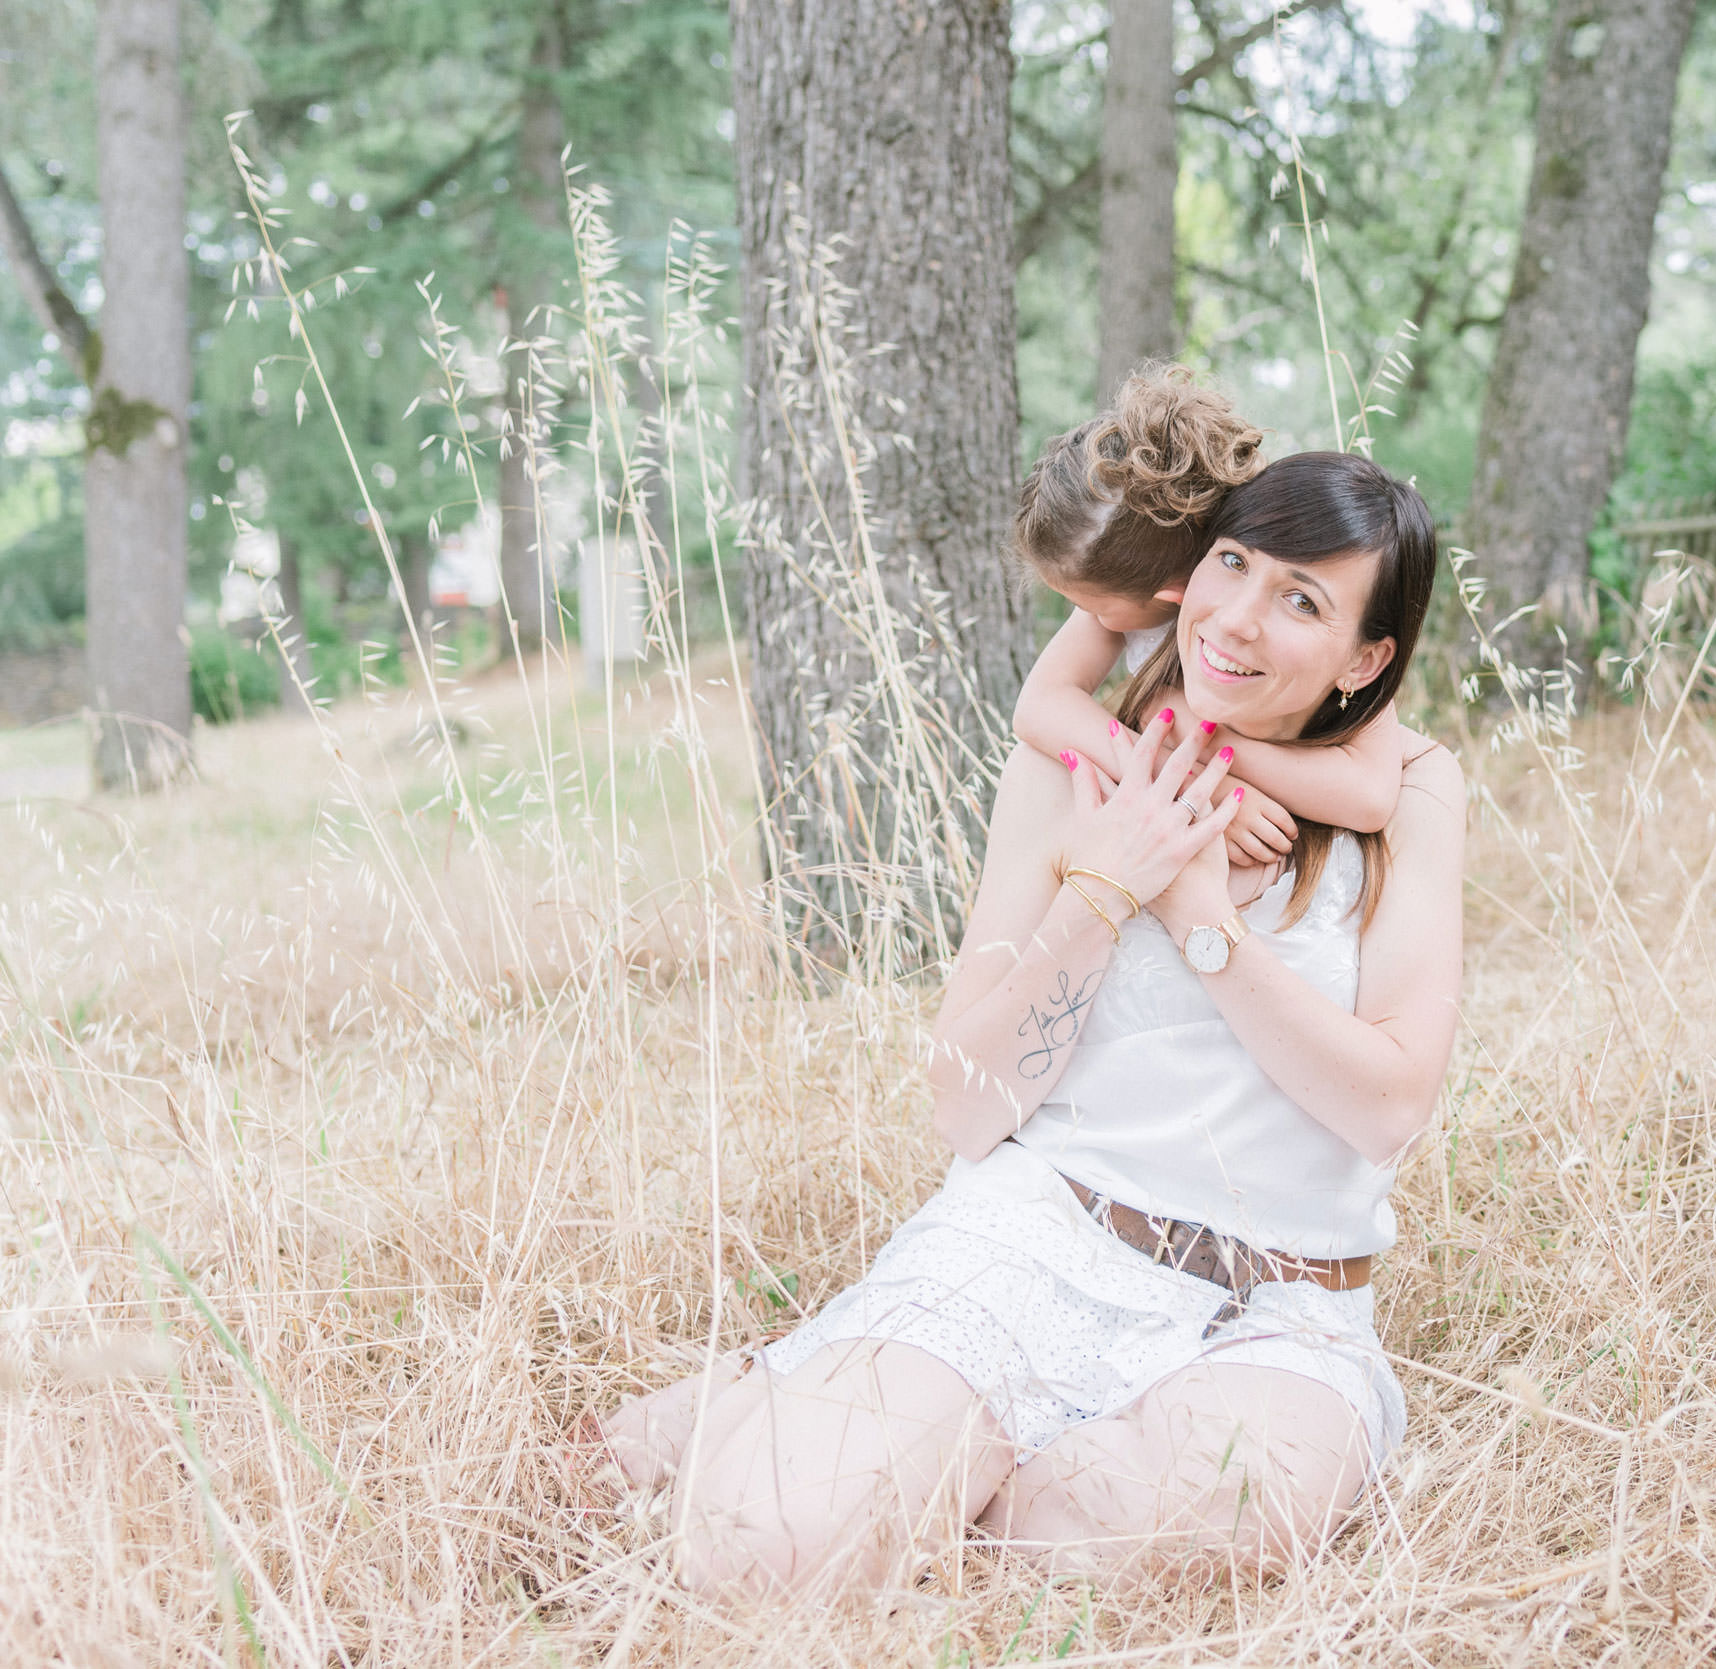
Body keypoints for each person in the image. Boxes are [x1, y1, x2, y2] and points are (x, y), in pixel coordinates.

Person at [592, 450, 1465, 1596]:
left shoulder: (1410, 797)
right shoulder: (1070, 768)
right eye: (1232, 564)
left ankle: (830, 1419)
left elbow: (1388, 1107)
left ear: (1367, 658)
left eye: (1301, 599)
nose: (1237, 619)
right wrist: (1103, 890)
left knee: (1166, 1528)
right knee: (760, 1551)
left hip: (1282, 1308)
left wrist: (1196, 909)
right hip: (1040, 1238)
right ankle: (847, 1421)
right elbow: (967, 1107)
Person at [1010, 365, 1422, 869]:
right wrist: (1194, 783)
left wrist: (1204, 736)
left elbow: (1370, 796)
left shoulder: (1235, 579)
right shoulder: (1131, 570)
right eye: (1233, 564)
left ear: (1175, 590)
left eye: (1095, 609)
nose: (1091, 620)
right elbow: (1039, 706)